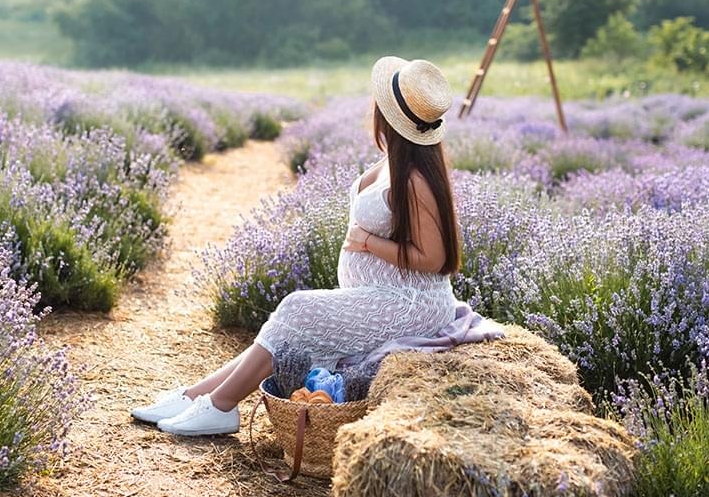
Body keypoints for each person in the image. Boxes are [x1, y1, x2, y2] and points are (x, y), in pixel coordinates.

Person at [131, 56, 503, 436]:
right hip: (383, 295)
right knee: (285, 328)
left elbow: (436, 260)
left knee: (295, 309)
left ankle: (222, 406)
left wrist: (369, 243)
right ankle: (198, 395)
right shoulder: (392, 162)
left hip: (412, 304)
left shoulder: (415, 178)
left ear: (386, 115)